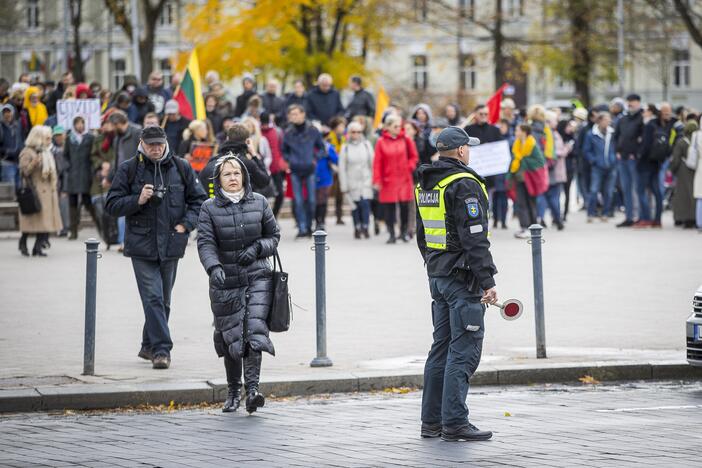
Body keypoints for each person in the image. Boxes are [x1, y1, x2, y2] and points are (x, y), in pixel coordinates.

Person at [414, 126, 497, 442]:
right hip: (463, 279)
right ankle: (455, 422)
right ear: (461, 150)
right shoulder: (464, 183)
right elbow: (475, 238)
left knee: (440, 350)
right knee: (463, 351)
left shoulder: (427, 183)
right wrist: (487, 280)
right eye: (468, 147)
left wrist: (434, 266)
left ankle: (431, 422)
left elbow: (422, 233)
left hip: (439, 276)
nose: (469, 152)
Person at [105, 126, 207, 369]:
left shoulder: (181, 167)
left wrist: (187, 224)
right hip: (142, 245)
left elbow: (199, 200)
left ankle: (147, 346)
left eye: (159, 144)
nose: (156, 148)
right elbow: (111, 205)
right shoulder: (129, 168)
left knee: (164, 300)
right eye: (151, 144)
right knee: (153, 298)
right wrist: (137, 200)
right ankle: (162, 350)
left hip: (172, 243)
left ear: (166, 142)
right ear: (142, 142)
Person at [196, 154, 280, 414]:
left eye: (236, 173)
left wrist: (257, 248)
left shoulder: (260, 202)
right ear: (218, 180)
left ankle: (253, 390)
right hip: (226, 281)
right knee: (231, 335)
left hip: (257, 277)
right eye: (227, 174)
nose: (233, 178)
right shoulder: (209, 207)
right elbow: (205, 242)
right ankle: (233, 391)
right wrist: (213, 267)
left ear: (244, 176)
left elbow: (274, 236)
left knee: (254, 331)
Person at [282, 104, 326, 237]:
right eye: (291, 114)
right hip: (295, 170)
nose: (293, 117)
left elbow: (322, 149)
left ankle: (309, 226)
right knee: (298, 201)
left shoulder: (313, 130)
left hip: (310, 169)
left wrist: (314, 159)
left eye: (296, 114)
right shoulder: (288, 132)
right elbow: (284, 150)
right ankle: (302, 228)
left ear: (303, 114)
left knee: (312, 200)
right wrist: (290, 160)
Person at [372, 115, 418, 243]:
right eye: (395, 126)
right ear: (388, 127)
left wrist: (409, 166)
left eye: (399, 126)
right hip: (388, 179)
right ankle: (391, 233)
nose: (399, 128)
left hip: (404, 178)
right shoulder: (381, 142)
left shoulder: (406, 140)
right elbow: (377, 162)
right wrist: (377, 179)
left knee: (404, 206)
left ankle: (403, 232)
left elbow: (414, 157)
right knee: (389, 208)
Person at [18, 125, 62, 256]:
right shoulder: (27, 152)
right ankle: (23, 243)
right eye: (46, 138)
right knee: (31, 222)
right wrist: (34, 163)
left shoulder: (46, 151)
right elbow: (24, 172)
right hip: (34, 191)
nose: (49, 141)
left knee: (44, 223)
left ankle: (37, 247)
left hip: (48, 191)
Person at [636, 102, 679, 228]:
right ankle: (657, 220)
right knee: (657, 191)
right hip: (658, 162)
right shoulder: (671, 125)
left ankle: (645, 218)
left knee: (641, 191)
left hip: (646, 163)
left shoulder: (651, 125)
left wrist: (640, 157)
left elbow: (646, 145)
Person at [199, 123, 271, 199]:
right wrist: (254, 155)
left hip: (213, 206)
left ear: (227, 138)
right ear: (247, 141)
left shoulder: (213, 161)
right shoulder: (247, 163)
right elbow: (265, 181)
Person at [63, 115, 97, 239]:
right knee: (72, 203)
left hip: (86, 174)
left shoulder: (90, 137)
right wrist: (68, 167)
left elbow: (94, 154)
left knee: (88, 202)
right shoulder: (69, 138)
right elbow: (65, 155)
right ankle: (73, 231)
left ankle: (99, 226)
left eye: (82, 123)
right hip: (73, 174)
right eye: (77, 123)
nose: (80, 126)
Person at [613, 94, 644, 227]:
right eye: (629, 101)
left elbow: (644, 139)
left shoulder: (642, 118)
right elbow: (616, 136)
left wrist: (636, 153)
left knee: (636, 189)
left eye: (633, 101)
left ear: (638, 102)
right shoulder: (623, 119)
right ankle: (629, 217)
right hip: (623, 158)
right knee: (625, 188)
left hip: (634, 159)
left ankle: (639, 216)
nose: (630, 104)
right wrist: (617, 151)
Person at [339, 121, 374, 238]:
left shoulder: (366, 145)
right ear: (349, 133)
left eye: (359, 132)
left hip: (366, 180)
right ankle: (357, 227)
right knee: (355, 206)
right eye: (353, 132)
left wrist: (373, 180)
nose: (356, 134)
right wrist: (344, 186)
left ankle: (365, 226)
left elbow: (372, 163)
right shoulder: (345, 148)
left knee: (365, 204)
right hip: (352, 181)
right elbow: (342, 168)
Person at [510, 124, 545, 239]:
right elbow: (514, 158)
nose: (515, 132)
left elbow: (540, 161)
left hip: (530, 179)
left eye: (517, 130)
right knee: (521, 203)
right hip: (520, 178)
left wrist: (524, 160)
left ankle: (533, 226)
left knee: (530, 203)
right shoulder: (517, 144)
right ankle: (524, 227)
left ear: (524, 132)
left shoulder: (532, 144)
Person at [583, 112, 617, 222]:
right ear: (600, 121)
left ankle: (605, 213)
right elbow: (586, 150)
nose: (608, 122)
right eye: (606, 120)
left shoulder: (612, 133)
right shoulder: (591, 134)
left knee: (608, 191)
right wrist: (594, 161)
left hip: (611, 166)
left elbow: (616, 148)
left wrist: (614, 160)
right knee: (594, 190)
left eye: (609, 120)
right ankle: (591, 213)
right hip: (597, 167)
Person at [670, 120, 698, 228]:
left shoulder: (681, 141)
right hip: (696, 170)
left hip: (683, 170)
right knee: (695, 194)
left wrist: (672, 170)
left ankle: (685, 218)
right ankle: (696, 217)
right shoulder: (698, 140)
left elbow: (676, 158)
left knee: (683, 196)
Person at [261, 111, 287, 217]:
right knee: (263, 196)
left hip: (276, 168)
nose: (265, 125)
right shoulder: (258, 132)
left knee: (280, 194)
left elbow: (282, 148)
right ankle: (264, 218)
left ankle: (274, 216)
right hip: (262, 169)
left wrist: (283, 163)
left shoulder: (278, 131)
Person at [543, 111, 567, 230]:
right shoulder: (551, 134)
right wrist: (565, 150)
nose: (556, 123)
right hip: (554, 171)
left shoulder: (550, 133)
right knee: (554, 196)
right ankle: (558, 219)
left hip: (553, 170)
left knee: (551, 196)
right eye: (554, 120)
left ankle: (553, 218)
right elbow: (556, 152)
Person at [0, 103, 24, 189]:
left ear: (12, 113)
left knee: (19, 188)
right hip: (7, 162)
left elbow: (21, 140)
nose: (7, 114)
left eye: (9, 112)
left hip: (18, 162)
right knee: (9, 190)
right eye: (5, 112)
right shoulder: (1, 127)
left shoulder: (17, 125)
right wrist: (7, 151)